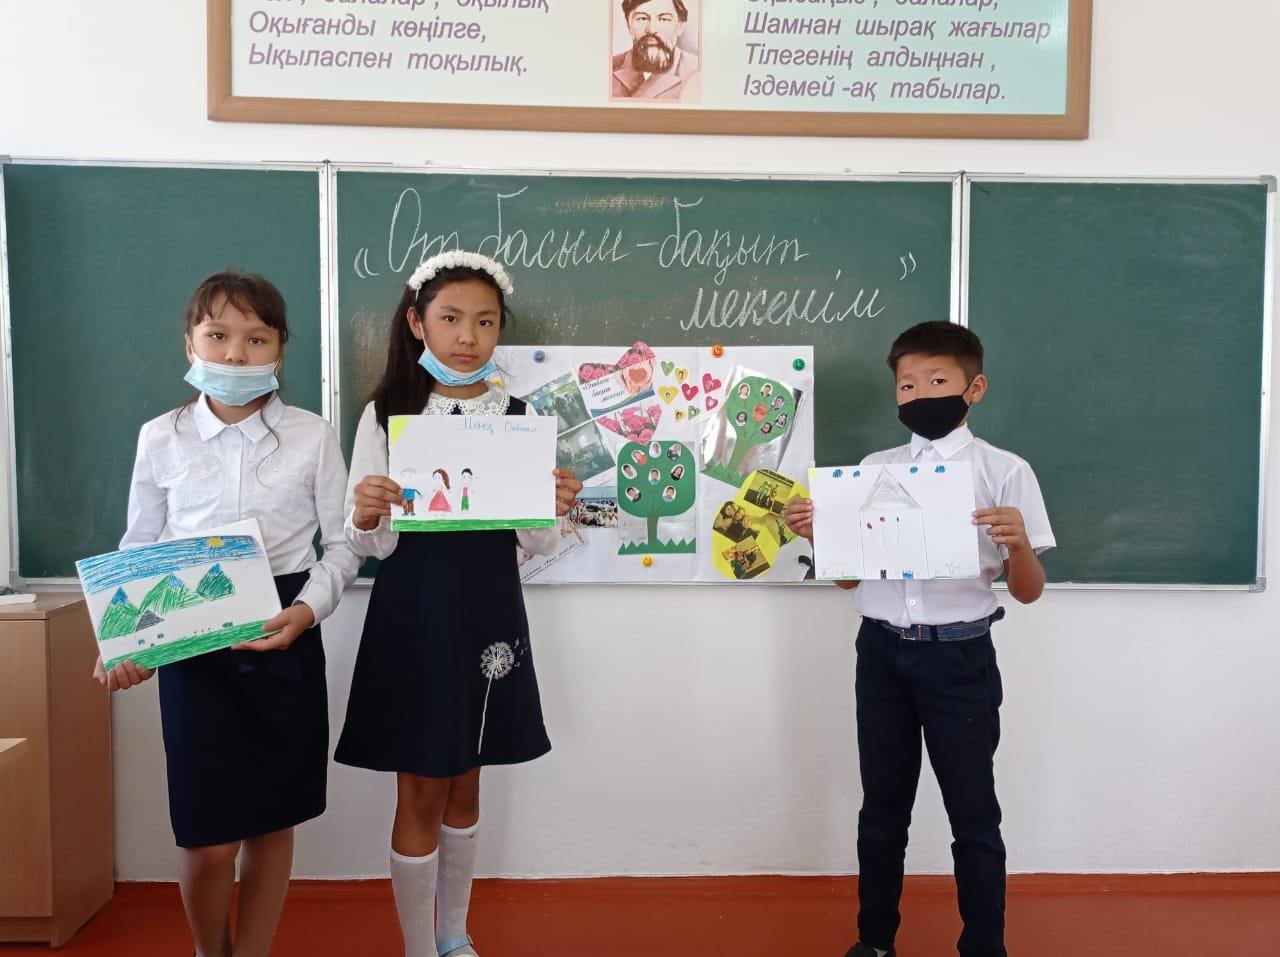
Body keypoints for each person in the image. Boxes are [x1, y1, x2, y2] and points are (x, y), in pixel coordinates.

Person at [97, 270, 358, 957]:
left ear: (279, 348)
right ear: (191, 342)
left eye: (256, 338)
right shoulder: (161, 437)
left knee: (272, 821)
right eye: (218, 335)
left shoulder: (312, 435)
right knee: (208, 837)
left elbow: (344, 545)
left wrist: (306, 610)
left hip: (284, 630)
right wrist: (119, 641)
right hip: (192, 642)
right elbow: (139, 547)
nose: (236, 354)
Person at [337, 251, 582, 957]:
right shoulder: (387, 413)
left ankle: (453, 936)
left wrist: (555, 503)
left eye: (485, 321)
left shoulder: (520, 417)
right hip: (413, 614)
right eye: (450, 318)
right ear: (417, 323)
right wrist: (367, 509)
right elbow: (371, 544)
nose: (467, 336)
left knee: (468, 781)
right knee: (419, 786)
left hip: (487, 613)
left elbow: (537, 540)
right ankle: (420, 947)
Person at [785, 321, 1055, 957]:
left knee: (974, 814)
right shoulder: (873, 470)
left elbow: (1028, 591)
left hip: (959, 656)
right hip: (881, 652)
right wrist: (821, 537)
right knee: (882, 809)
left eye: (937, 381)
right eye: (907, 385)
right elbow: (849, 579)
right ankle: (875, 940)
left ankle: (984, 946)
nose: (920, 394)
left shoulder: (1004, 471)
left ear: (974, 389)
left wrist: (1018, 545)